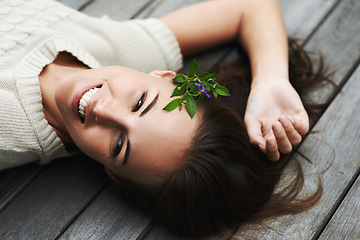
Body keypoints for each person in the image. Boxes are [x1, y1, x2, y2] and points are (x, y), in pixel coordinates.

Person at [0, 0, 330, 237]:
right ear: (166, 76)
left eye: (119, 146)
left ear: (113, 174)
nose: (103, 109)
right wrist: (271, 80)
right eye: (141, 101)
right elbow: (250, 7)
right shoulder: (129, 53)